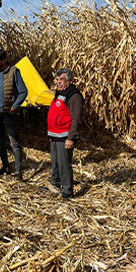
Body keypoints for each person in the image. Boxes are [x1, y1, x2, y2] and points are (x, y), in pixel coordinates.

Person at [0, 50, 28, 180]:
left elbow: (23, 92)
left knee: (14, 143)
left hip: (9, 113)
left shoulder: (14, 72)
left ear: (4, 60)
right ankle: (5, 166)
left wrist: (14, 106)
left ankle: (18, 172)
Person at [47, 68, 83, 199]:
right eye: (57, 80)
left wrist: (71, 138)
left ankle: (67, 191)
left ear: (69, 80)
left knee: (64, 164)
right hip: (55, 135)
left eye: (61, 79)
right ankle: (55, 183)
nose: (58, 82)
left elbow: (76, 119)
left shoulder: (74, 96)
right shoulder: (60, 93)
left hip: (64, 136)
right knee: (55, 161)